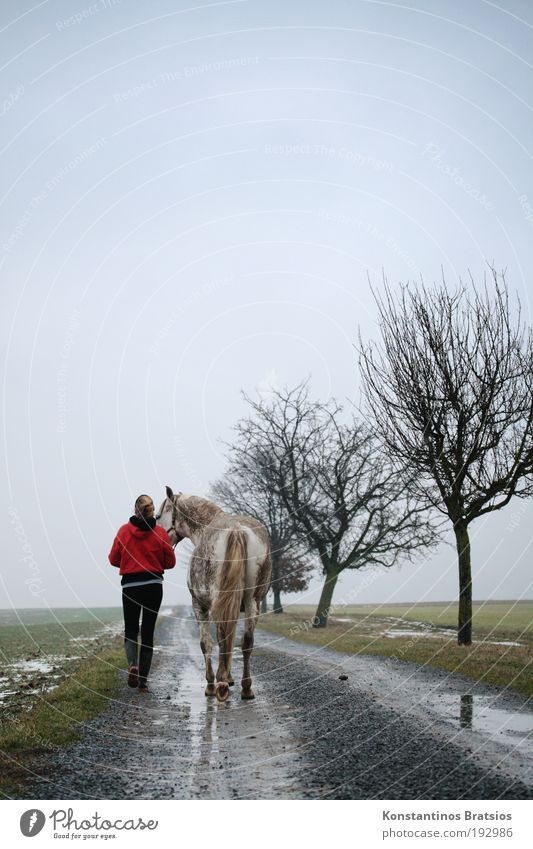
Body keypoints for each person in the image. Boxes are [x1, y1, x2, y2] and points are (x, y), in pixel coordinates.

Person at [108, 494, 176, 692]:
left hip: (130, 587)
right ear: (152, 511)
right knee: (147, 632)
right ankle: (143, 681)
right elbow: (170, 563)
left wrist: (129, 561)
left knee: (131, 629)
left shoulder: (124, 531)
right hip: (153, 586)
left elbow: (113, 559)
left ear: (135, 510)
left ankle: (133, 665)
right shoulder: (160, 533)